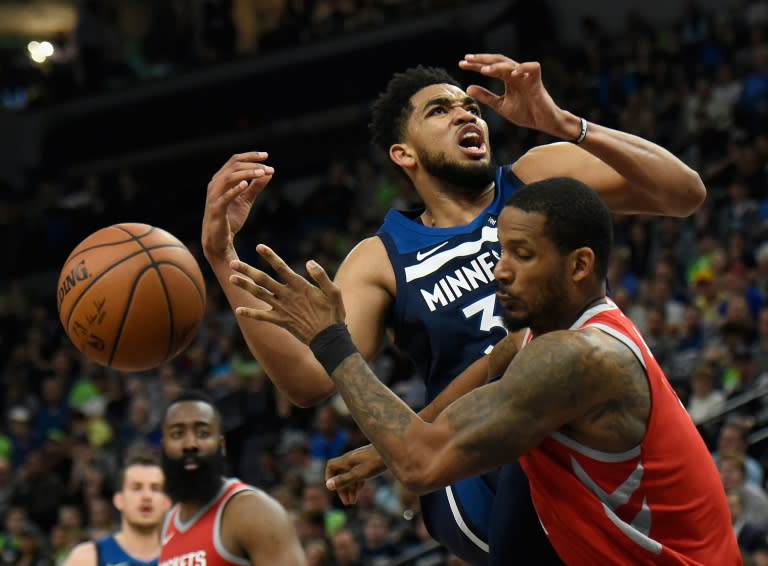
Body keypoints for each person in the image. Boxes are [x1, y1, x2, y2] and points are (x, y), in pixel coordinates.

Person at [201, 53, 706, 564]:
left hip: (572, 416)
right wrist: (224, 259)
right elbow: (308, 379)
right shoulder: (382, 256)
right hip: (469, 465)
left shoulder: (534, 180)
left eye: (470, 106)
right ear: (404, 154)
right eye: (440, 111)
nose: (467, 115)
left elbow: (683, 193)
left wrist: (563, 124)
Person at [228, 177, 740, 565]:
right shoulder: (550, 334)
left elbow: (422, 467)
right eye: (500, 251)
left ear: (580, 266)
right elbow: (496, 358)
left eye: (522, 254)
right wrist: (390, 444)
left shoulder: (578, 359)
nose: (500, 270)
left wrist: (330, 338)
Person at [158, 389, 306, 566]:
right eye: (177, 434)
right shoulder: (165, 525)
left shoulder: (253, 511)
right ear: (164, 447)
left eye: (203, 433)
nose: (190, 444)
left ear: (221, 446)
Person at [62, 455, 170, 566]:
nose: (147, 496)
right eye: (136, 488)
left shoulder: (183, 557)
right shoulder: (87, 557)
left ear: (167, 502)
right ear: (119, 500)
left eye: (155, 488)